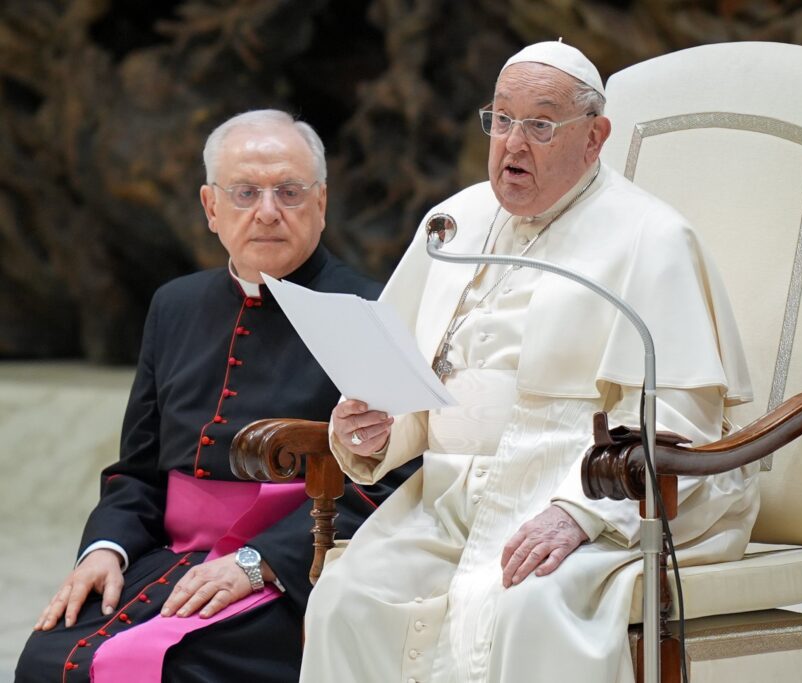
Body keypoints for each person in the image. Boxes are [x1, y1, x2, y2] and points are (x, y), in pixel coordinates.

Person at [301, 43, 759, 682]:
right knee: (346, 603)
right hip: (448, 499)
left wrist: (580, 511)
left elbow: (677, 415)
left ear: (594, 138)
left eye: (540, 125)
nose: (513, 144)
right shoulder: (453, 223)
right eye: (502, 120)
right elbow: (406, 380)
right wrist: (380, 430)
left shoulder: (651, 239)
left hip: (587, 499)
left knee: (529, 610)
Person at [16, 109, 417, 683]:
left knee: (180, 664)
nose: (268, 211)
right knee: (48, 659)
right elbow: (138, 470)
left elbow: (395, 478)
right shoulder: (174, 306)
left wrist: (263, 562)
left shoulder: (373, 311)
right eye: (246, 192)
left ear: (322, 203)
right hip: (168, 560)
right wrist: (105, 549)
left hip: (299, 565)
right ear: (210, 207)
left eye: (290, 191)